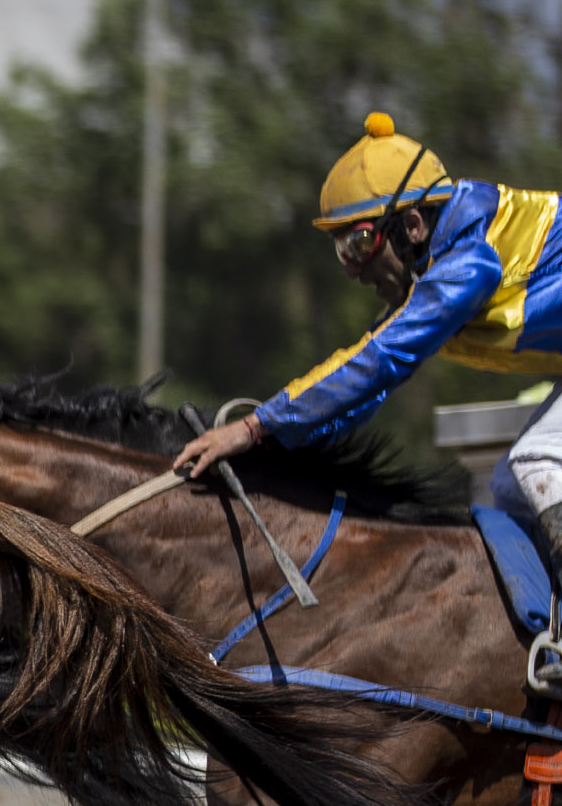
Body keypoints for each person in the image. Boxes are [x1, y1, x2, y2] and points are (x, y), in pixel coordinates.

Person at [174, 112, 562, 559]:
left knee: (538, 459)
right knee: (510, 488)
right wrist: (271, 440)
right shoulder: (439, 268)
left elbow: (379, 362)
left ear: (412, 225)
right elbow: (364, 381)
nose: (352, 270)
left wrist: (254, 427)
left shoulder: (470, 262)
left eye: (359, 243)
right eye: (341, 251)